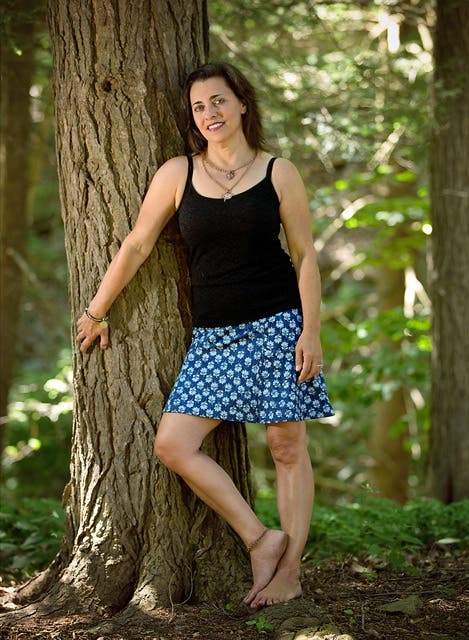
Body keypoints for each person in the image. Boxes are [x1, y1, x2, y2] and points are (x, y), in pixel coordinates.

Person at [76, 61, 334, 609]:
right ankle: (260, 539)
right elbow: (137, 244)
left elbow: (305, 254)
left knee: (286, 445)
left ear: (241, 103)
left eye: (218, 100)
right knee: (172, 445)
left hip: (277, 323)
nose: (209, 113)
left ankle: (290, 573)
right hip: (214, 336)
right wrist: (97, 311)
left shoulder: (278, 172)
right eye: (198, 106)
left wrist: (311, 331)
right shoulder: (178, 173)